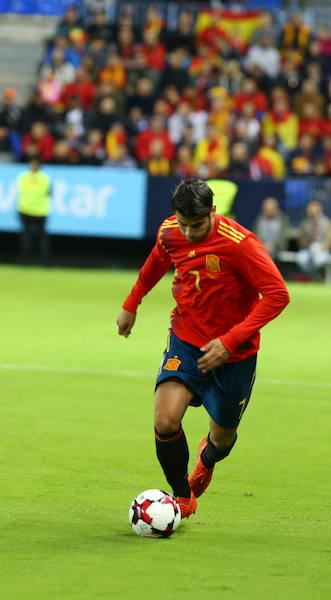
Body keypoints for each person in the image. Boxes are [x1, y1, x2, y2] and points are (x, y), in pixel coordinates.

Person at [116, 178, 290, 519]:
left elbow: (277, 295)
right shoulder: (170, 231)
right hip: (186, 339)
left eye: (196, 225)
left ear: (212, 212)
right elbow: (156, 263)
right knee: (165, 420)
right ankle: (182, 496)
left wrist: (230, 340)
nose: (188, 232)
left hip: (234, 354)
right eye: (183, 224)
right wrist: (131, 303)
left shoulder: (240, 244)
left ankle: (207, 460)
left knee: (222, 440)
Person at [16, 156, 52, 264]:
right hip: (37, 210)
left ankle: (28, 261)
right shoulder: (44, 178)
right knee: (37, 237)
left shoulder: (24, 176)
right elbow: (49, 192)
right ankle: (43, 262)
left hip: (30, 209)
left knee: (30, 236)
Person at [296, 200, 331, 277]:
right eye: (309, 210)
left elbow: (330, 241)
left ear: (319, 210)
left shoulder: (327, 223)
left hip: (322, 249)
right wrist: (309, 246)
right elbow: (301, 240)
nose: (310, 212)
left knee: (318, 260)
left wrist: (320, 248)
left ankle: (315, 276)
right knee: (301, 258)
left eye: (312, 210)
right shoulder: (305, 223)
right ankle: (310, 276)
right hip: (308, 248)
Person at [253, 197, 287, 262]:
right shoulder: (259, 220)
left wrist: (274, 246)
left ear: (276, 209)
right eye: (266, 210)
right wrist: (263, 245)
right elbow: (255, 236)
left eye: (271, 210)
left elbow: (283, 237)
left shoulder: (283, 220)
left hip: (278, 250)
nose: (269, 212)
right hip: (262, 248)